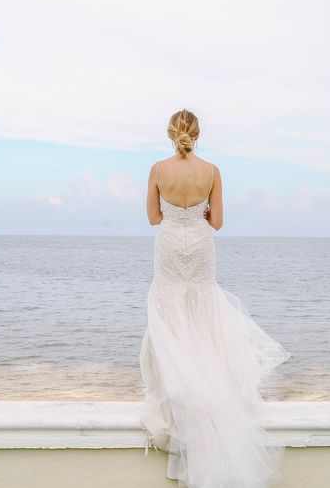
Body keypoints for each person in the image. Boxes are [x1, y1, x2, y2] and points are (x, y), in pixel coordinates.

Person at [139, 109, 292, 487]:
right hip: (201, 246)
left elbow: (153, 218)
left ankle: (180, 395)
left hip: (171, 244)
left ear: (170, 134)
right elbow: (218, 223)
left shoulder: (158, 169)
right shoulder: (212, 171)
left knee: (171, 306)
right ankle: (211, 389)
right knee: (202, 308)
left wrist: (176, 213)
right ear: (197, 134)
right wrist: (203, 212)